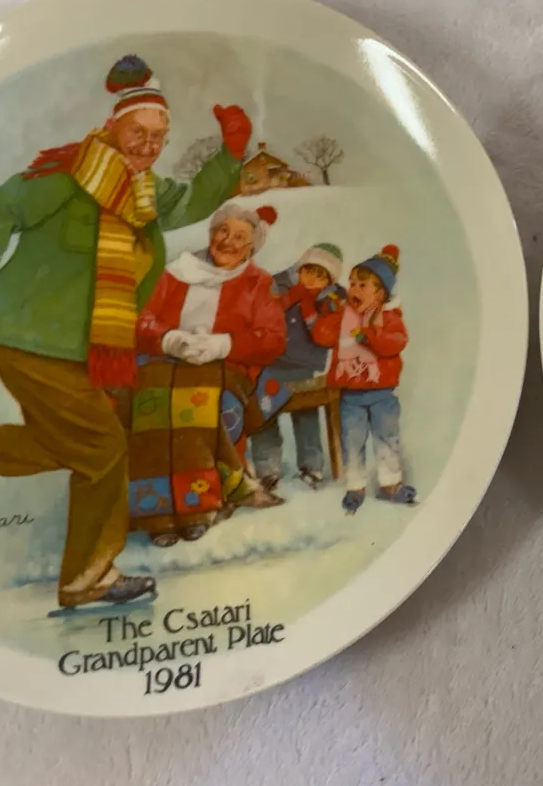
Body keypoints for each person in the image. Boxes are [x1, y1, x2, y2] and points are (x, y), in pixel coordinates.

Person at [0, 54, 252, 609]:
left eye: (158, 137)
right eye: (139, 133)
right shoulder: (67, 176)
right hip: (28, 336)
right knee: (104, 450)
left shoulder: (143, 193)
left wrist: (231, 154)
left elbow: (193, 201)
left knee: (68, 445)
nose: (148, 146)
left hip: (73, 348)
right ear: (114, 126)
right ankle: (88, 579)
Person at [132, 203, 288, 546]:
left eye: (240, 237)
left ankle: (198, 509)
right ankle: (157, 513)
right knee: (152, 407)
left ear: (252, 246)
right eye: (223, 231)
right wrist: (170, 339)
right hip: (164, 365)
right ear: (211, 233)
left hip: (225, 370)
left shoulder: (259, 283)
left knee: (202, 409)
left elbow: (273, 338)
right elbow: (142, 318)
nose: (228, 241)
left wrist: (223, 344)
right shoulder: (176, 272)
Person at [310, 245, 413, 513]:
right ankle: (355, 486)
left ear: (381, 293)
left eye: (363, 285)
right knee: (352, 441)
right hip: (350, 394)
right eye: (353, 283)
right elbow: (321, 336)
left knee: (387, 436)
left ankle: (391, 483)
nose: (354, 289)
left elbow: (396, 342)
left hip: (382, 393)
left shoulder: (389, 316)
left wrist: (369, 336)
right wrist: (328, 312)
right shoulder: (343, 315)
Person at [249, 242, 346, 490]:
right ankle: (267, 468)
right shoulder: (280, 286)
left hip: (305, 366)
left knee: (306, 414)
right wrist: (290, 297)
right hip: (270, 363)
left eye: (320, 276)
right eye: (308, 271)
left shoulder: (332, 299)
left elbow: (327, 334)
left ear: (329, 281)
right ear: (299, 269)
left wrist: (314, 307)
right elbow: (262, 312)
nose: (312, 279)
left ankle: (312, 466)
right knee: (263, 411)